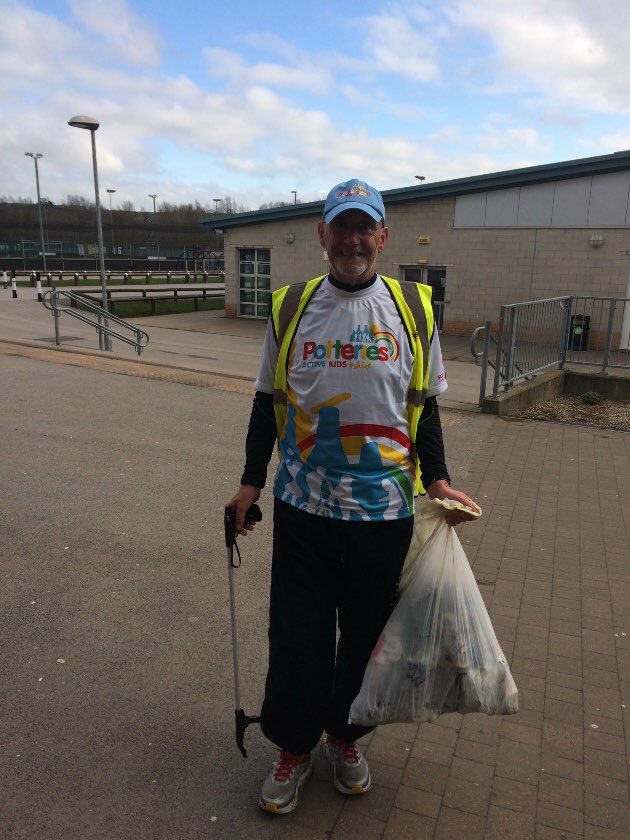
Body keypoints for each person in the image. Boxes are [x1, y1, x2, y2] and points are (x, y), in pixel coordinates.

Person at [227, 178, 477, 814]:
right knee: (299, 636)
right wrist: (251, 481)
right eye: (341, 226)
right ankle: (292, 747)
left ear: (383, 237)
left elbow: (426, 409)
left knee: (368, 636)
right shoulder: (289, 308)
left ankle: (345, 737)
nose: (353, 239)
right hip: (304, 508)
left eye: (365, 227)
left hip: (384, 513)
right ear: (322, 235)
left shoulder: (414, 310)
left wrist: (438, 481)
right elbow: (266, 404)